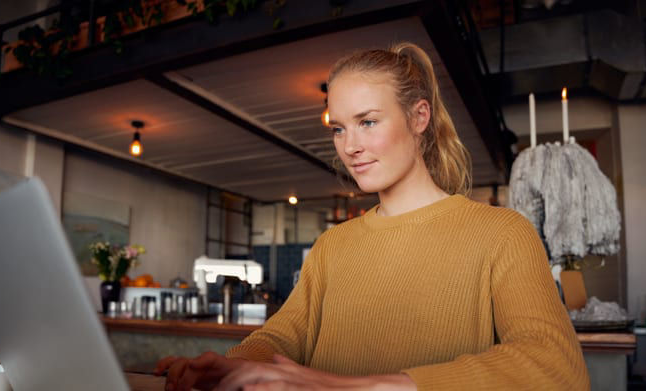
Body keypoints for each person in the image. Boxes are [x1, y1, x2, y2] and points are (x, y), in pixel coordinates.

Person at [154, 42, 590, 390]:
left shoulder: (501, 233)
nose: (350, 147)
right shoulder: (332, 246)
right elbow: (283, 337)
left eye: (368, 122)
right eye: (339, 128)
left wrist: (380, 386)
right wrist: (230, 369)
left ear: (419, 117)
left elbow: (557, 367)